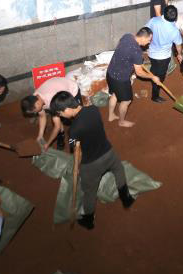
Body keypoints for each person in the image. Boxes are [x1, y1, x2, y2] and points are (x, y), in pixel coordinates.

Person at [50, 91, 135, 230]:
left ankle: (88, 220)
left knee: (90, 192)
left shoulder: (73, 130)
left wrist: (76, 163)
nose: (60, 116)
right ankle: (126, 198)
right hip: (109, 152)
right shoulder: (94, 109)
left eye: (60, 113)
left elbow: (74, 148)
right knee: (118, 169)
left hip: (91, 164)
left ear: (67, 109)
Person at [106, 27, 163, 127]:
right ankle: (121, 122)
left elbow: (121, 49)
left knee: (115, 94)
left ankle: (111, 116)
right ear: (143, 38)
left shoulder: (127, 36)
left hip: (110, 72)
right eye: (149, 40)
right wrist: (152, 77)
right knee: (126, 101)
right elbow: (139, 73)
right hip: (120, 79)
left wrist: (131, 60)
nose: (149, 42)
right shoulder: (137, 52)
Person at [20, 76, 81, 152]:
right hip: (57, 88)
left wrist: (48, 144)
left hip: (71, 89)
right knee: (58, 117)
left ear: (37, 103)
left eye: (34, 111)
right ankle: (61, 136)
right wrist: (40, 135)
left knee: (77, 116)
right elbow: (42, 116)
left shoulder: (51, 101)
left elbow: (57, 126)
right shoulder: (35, 97)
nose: (35, 113)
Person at [145, 5, 183, 103]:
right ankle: (155, 96)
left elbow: (145, 31)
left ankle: (153, 73)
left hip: (151, 53)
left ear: (164, 13)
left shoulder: (154, 20)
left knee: (154, 68)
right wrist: (179, 54)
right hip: (163, 57)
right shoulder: (174, 30)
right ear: (175, 16)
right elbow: (178, 45)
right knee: (159, 77)